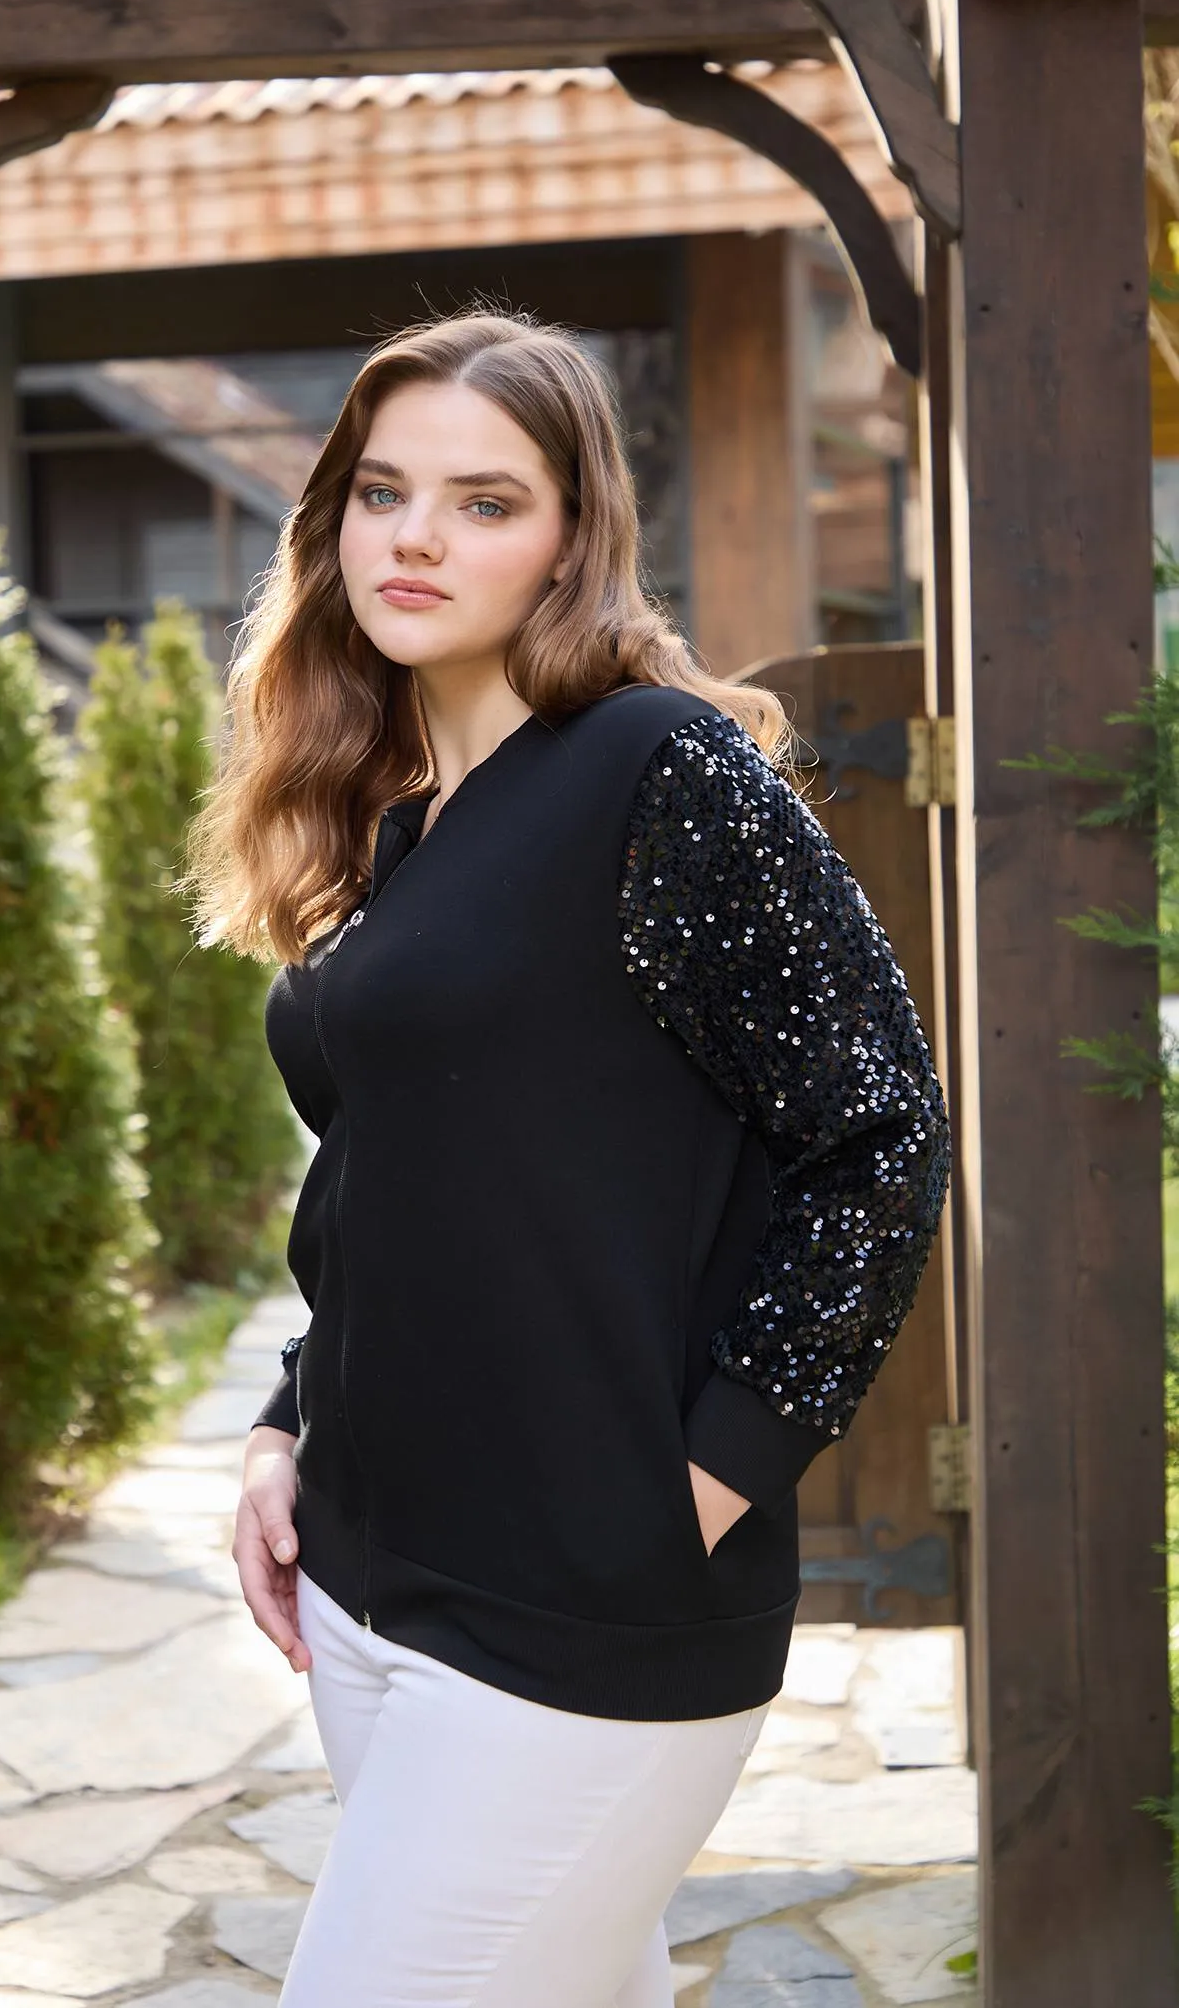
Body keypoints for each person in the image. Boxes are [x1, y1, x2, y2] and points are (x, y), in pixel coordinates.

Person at [182, 309, 952, 2008]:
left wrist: (704, 1479)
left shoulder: (658, 774)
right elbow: (410, 1177)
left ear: (569, 538)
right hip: (370, 1583)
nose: (417, 537)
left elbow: (880, 1137)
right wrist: (286, 1419)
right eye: (384, 491)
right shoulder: (402, 818)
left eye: (485, 501)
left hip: (584, 1608)